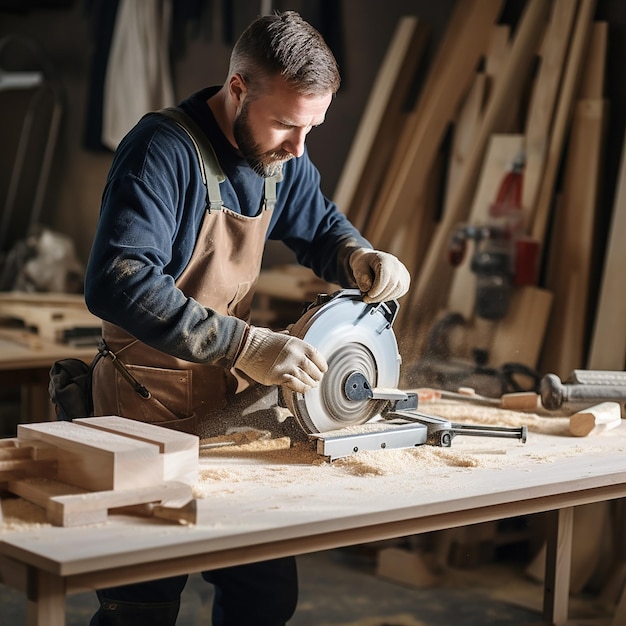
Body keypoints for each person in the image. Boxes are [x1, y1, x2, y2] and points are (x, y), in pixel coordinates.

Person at [84, 10, 410, 626]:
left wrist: (357, 256)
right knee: (142, 605)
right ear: (238, 88)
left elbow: (317, 223)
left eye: (312, 128)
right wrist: (243, 344)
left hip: (232, 410)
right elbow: (117, 280)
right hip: (145, 406)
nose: (297, 148)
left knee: (264, 595)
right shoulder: (163, 150)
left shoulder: (279, 154)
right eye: (287, 125)